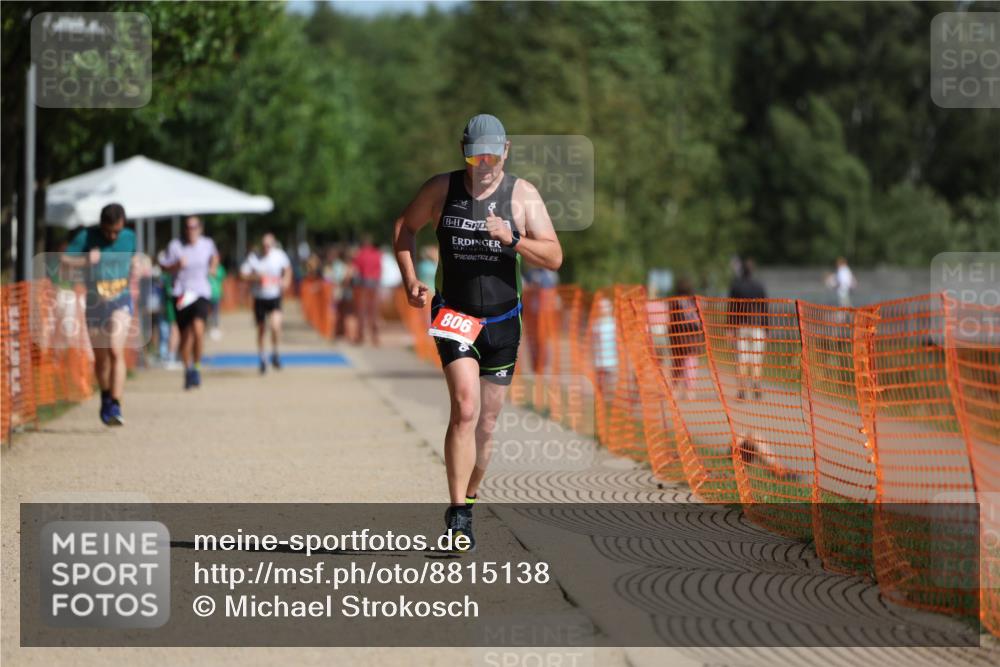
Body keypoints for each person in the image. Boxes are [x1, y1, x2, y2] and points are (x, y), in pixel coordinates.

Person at [392, 113, 563, 549]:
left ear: (505, 151)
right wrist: (412, 277)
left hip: (504, 322)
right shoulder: (440, 189)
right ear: (463, 153)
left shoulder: (522, 195)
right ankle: (458, 514)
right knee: (465, 409)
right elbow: (405, 228)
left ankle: (471, 496)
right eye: (474, 156)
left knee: (486, 425)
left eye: (491, 155)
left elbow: (554, 257)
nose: (483, 164)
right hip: (455, 315)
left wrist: (513, 239)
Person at [61, 203, 136, 425]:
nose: (113, 236)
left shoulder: (130, 237)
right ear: (101, 225)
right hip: (95, 303)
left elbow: (132, 260)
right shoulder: (86, 236)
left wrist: (136, 266)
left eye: (117, 231)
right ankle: (105, 395)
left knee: (115, 349)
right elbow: (64, 259)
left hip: (120, 300)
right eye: (109, 231)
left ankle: (115, 404)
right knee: (101, 359)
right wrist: (85, 260)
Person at [158, 216, 219, 390]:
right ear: (185, 229)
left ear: (200, 228)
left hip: (201, 292)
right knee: (185, 336)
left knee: (198, 330)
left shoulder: (207, 243)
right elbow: (163, 266)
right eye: (188, 227)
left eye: (195, 227)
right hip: (182, 293)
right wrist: (176, 265)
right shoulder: (176, 246)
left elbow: (215, 256)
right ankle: (187, 368)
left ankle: (197, 367)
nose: (191, 230)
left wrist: (213, 266)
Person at [240, 233, 292, 374]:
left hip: (274, 296)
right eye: (264, 245)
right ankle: (262, 357)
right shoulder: (254, 257)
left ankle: (275, 352)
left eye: (269, 245)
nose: (266, 248)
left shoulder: (279, 255)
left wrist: (286, 281)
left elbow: (287, 269)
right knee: (261, 329)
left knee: (275, 326)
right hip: (259, 298)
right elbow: (243, 274)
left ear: (273, 244)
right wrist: (256, 277)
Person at [728, 257, 769, 401]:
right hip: (757, 326)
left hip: (741, 326)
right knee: (756, 358)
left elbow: (731, 309)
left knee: (741, 359)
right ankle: (756, 384)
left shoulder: (736, 286)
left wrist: (730, 327)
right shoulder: (759, 286)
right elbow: (764, 308)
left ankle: (742, 389)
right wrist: (766, 327)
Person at [668, 279, 702, 401]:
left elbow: (672, 320)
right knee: (691, 363)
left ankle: (675, 390)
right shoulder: (694, 301)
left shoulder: (674, 301)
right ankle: (689, 391)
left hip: (678, 337)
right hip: (693, 337)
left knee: (677, 364)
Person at [352, 234, 382, 345]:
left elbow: (355, 270)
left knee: (361, 312)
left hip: (363, 284)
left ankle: (360, 336)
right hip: (374, 284)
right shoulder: (377, 254)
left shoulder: (359, 254)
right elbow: (380, 269)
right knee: (374, 312)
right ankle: (375, 337)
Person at [208, 262, 226, 341]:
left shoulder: (220, 268)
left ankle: (215, 328)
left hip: (216, 294)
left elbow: (221, 277)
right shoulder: (206, 266)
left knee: (216, 312)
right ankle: (208, 327)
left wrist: (212, 271)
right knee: (207, 313)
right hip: (206, 295)